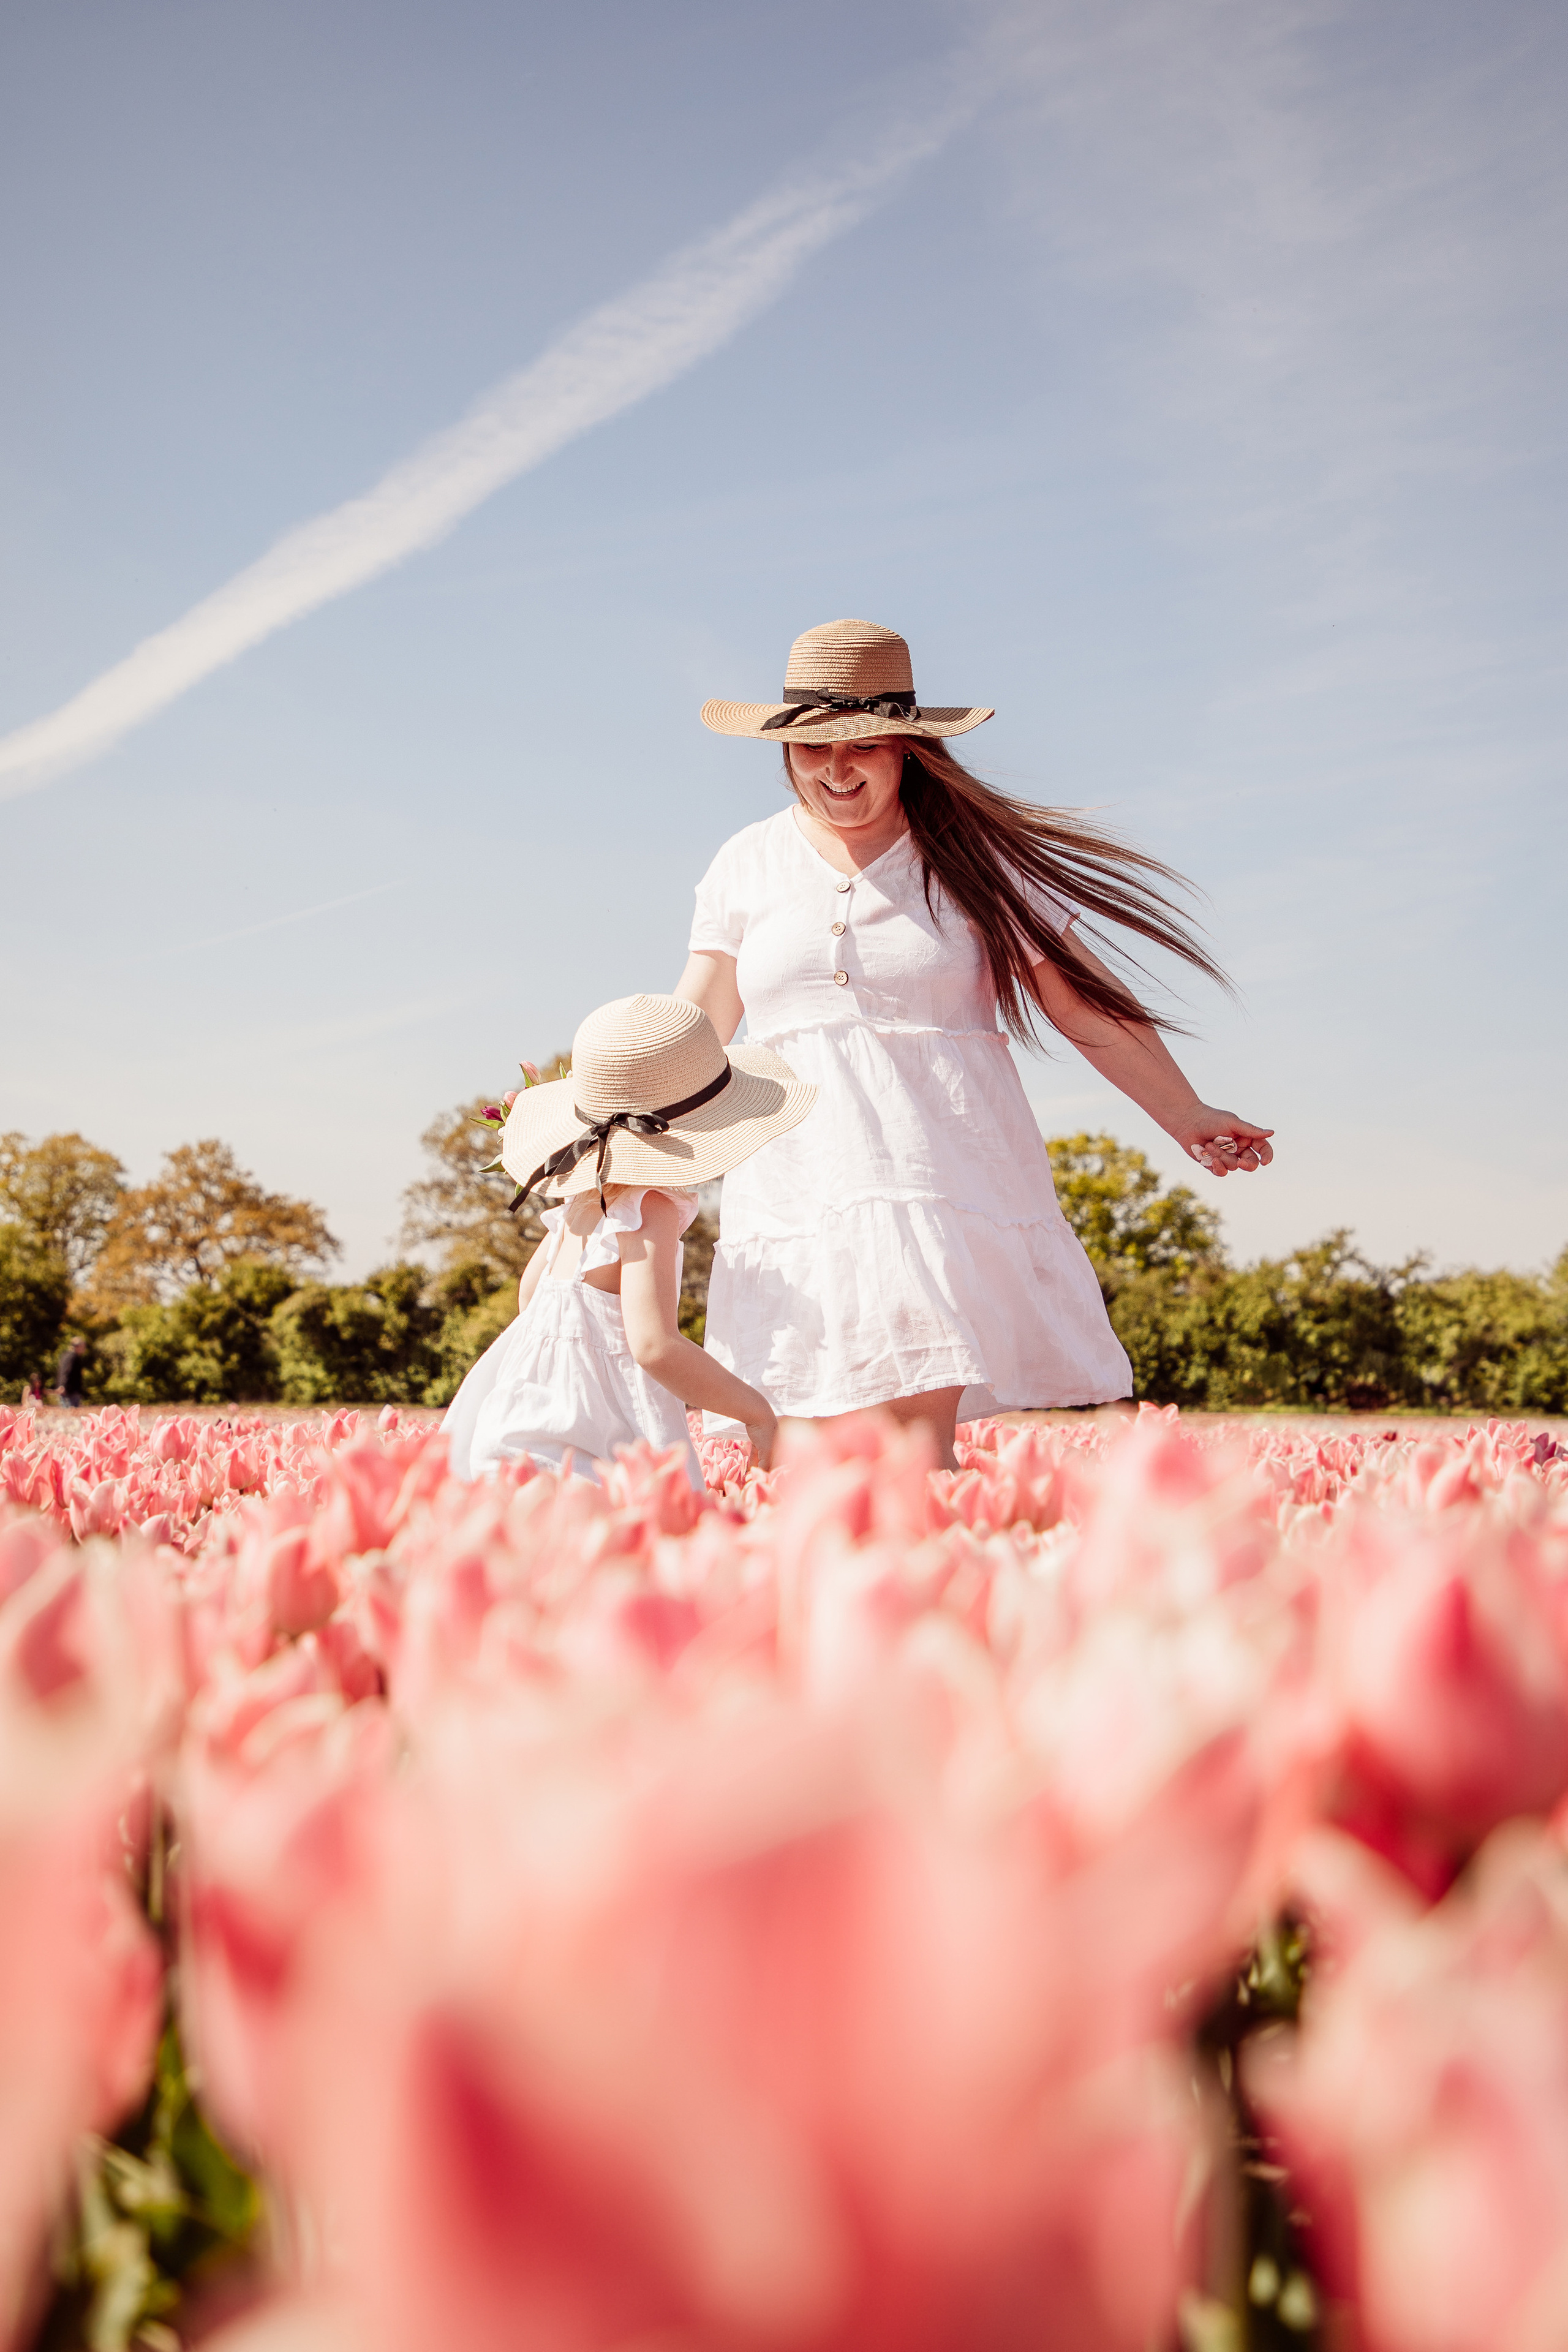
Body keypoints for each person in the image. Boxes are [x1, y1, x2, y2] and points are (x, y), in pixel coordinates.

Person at [677, 617, 1274, 1470]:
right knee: (799, 1458)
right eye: (813, 749)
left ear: (908, 750)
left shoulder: (973, 858)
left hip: (932, 1184)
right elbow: (702, 1018)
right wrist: (605, 1120)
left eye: (863, 746)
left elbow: (1086, 1007)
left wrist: (1187, 1112)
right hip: (794, 1191)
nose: (835, 770)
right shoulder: (747, 861)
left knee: (911, 1454)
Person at [442, 993, 816, 1486]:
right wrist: (755, 1411)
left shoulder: (575, 1206)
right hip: (592, 1447)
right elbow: (654, 1345)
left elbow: (531, 1301)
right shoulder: (651, 1205)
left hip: (512, 1426)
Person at [55, 1335, 87, 1409]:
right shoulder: (74, 1357)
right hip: (71, 1391)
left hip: (65, 1389)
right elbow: (66, 1372)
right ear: (77, 1347)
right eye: (83, 1347)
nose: (84, 1349)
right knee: (71, 1413)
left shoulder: (65, 1356)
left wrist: (61, 1385)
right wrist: (63, 1386)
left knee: (66, 1412)